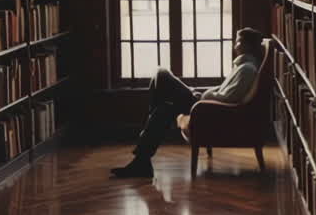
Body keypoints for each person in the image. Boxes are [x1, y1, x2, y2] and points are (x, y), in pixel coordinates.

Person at [111, 27, 266, 178]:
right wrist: (204, 93)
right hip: (205, 105)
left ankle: (141, 158)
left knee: (162, 74)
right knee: (163, 110)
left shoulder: (247, 69)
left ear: (247, 45)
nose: (235, 45)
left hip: (206, 109)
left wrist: (204, 96)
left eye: (238, 42)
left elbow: (228, 98)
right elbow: (225, 92)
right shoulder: (243, 67)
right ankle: (142, 162)